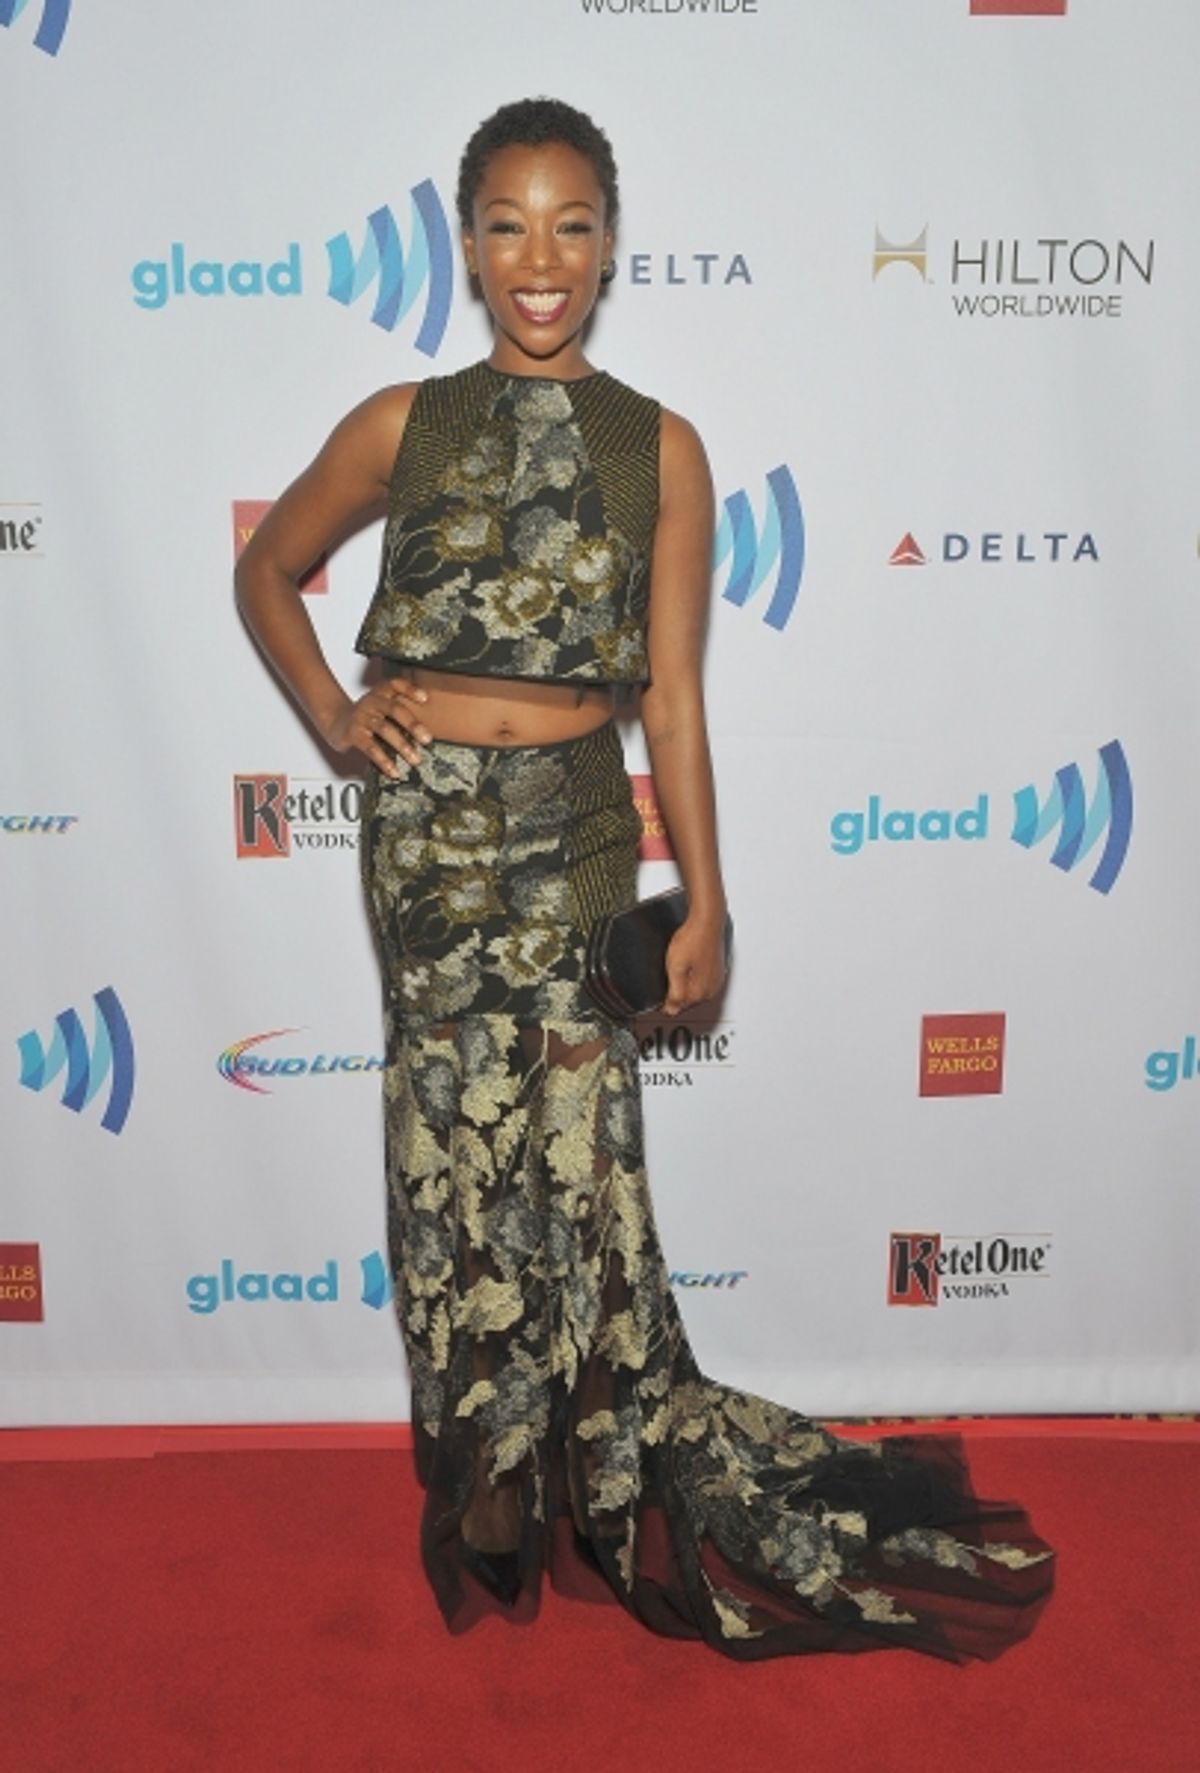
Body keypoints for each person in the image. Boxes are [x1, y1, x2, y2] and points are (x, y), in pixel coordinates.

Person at [235, 97, 1054, 1662]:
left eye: (572, 225)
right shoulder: (400, 423)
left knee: (580, 1161)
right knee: (443, 1153)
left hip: (571, 828)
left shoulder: (659, 446)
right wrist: (341, 716)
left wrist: (713, 901)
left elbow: (670, 693)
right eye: (507, 225)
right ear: (465, 245)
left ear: (610, 245)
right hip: (423, 841)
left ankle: (601, 1477)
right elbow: (265, 568)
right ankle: (482, 1488)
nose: (540, 259)